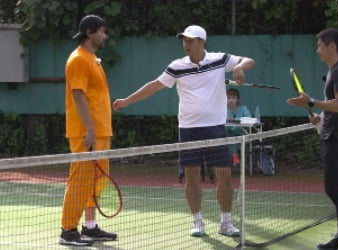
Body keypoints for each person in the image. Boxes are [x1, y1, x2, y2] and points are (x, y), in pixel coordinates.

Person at [113, 25, 255, 237]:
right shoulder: (176, 66)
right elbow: (154, 86)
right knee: (192, 176)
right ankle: (198, 222)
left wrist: (239, 68)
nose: (186, 44)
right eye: (184, 40)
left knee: (224, 174)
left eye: (190, 40)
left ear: (202, 42)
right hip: (188, 129)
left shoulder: (219, 59)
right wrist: (127, 101)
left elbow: (249, 60)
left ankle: (226, 222)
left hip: (215, 127)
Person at [287, 28, 338, 250]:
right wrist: (321, 117)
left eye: (320, 46)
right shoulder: (336, 71)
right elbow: (334, 107)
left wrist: (312, 101)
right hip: (334, 134)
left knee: (333, 189)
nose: (318, 50)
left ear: (332, 46)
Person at [60, 15, 117, 246]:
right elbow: (77, 94)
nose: (105, 35)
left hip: (102, 132)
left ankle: (90, 227)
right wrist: (90, 129)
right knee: (80, 182)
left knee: (96, 182)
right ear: (91, 32)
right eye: (102, 31)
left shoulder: (92, 59)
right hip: (87, 132)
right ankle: (68, 231)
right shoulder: (78, 59)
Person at [226, 88, 252, 165]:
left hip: (241, 134)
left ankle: (234, 156)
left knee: (232, 134)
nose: (231, 100)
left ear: (238, 99)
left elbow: (249, 119)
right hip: (227, 135)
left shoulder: (244, 108)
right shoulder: (223, 109)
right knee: (229, 134)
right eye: (229, 98)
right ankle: (234, 156)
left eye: (233, 98)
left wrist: (235, 120)